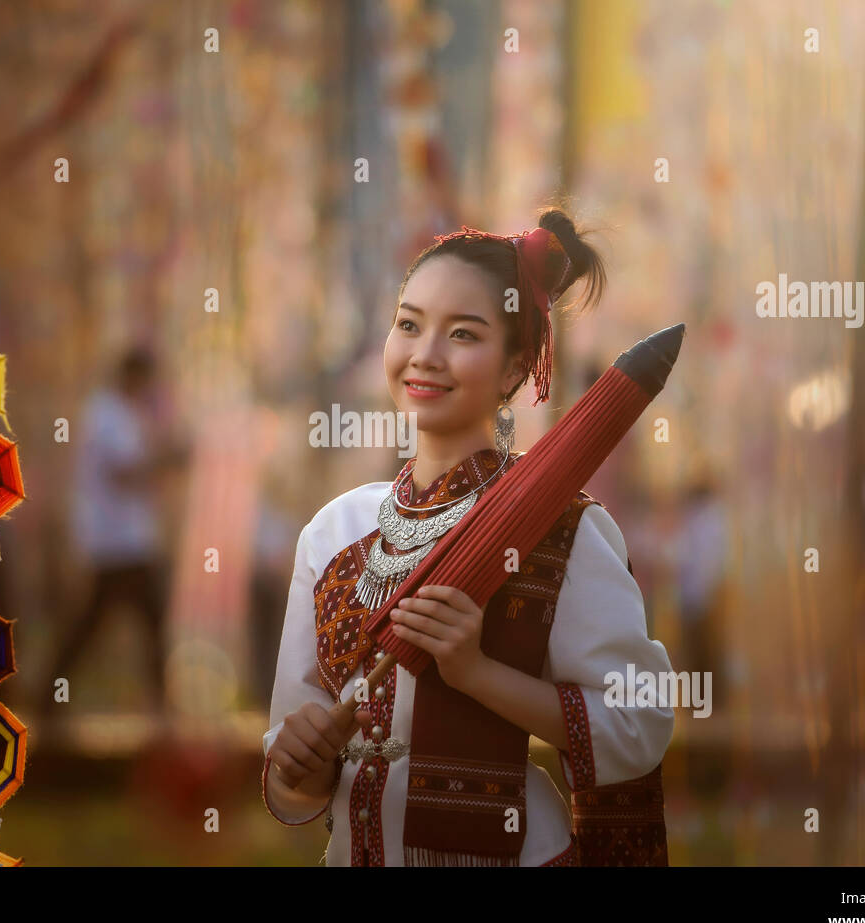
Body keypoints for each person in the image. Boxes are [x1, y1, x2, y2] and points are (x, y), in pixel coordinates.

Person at [261, 208, 676, 866]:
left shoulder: (564, 530)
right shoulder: (334, 531)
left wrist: (476, 674)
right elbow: (298, 764)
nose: (424, 355)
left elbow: (639, 721)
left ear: (516, 367)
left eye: (463, 334)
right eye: (409, 324)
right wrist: (297, 755)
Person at [44, 349, 184, 721]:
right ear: (133, 376)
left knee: (100, 623)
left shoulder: (120, 413)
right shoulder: (106, 414)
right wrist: (168, 459)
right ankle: (160, 707)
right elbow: (122, 472)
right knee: (140, 620)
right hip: (118, 543)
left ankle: (49, 695)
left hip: (125, 541)